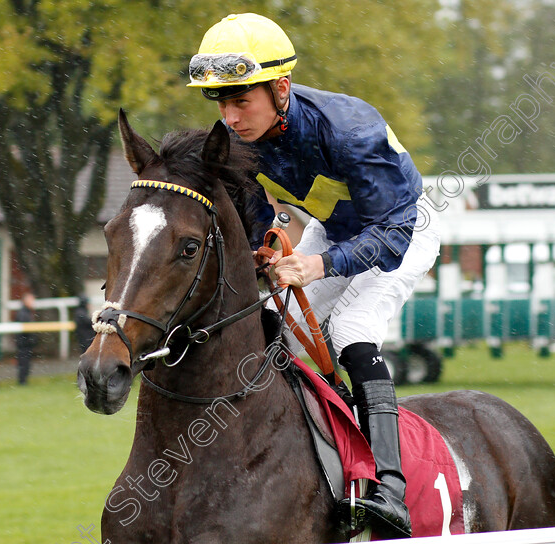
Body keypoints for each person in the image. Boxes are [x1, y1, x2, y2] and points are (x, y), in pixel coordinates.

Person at [188, 13, 441, 539]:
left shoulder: (350, 130)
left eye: (241, 101)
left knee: (350, 327)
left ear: (280, 89)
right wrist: (263, 250)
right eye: (221, 103)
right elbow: (259, 212)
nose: (230, 118)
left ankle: (390, 488)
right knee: (267, 326)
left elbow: (391, 232)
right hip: (331, 231)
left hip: (405, 230)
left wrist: (317, 265)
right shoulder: (243, 137)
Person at [15, 292, 37, 385]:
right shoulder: (23, 314)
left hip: (25, 343)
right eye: (31, 300)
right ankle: (22, 382)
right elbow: (25, 330)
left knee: (25, 363)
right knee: (24, 363)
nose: (33, 302)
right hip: (24, 343)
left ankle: (23, 381)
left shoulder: (26, 312)